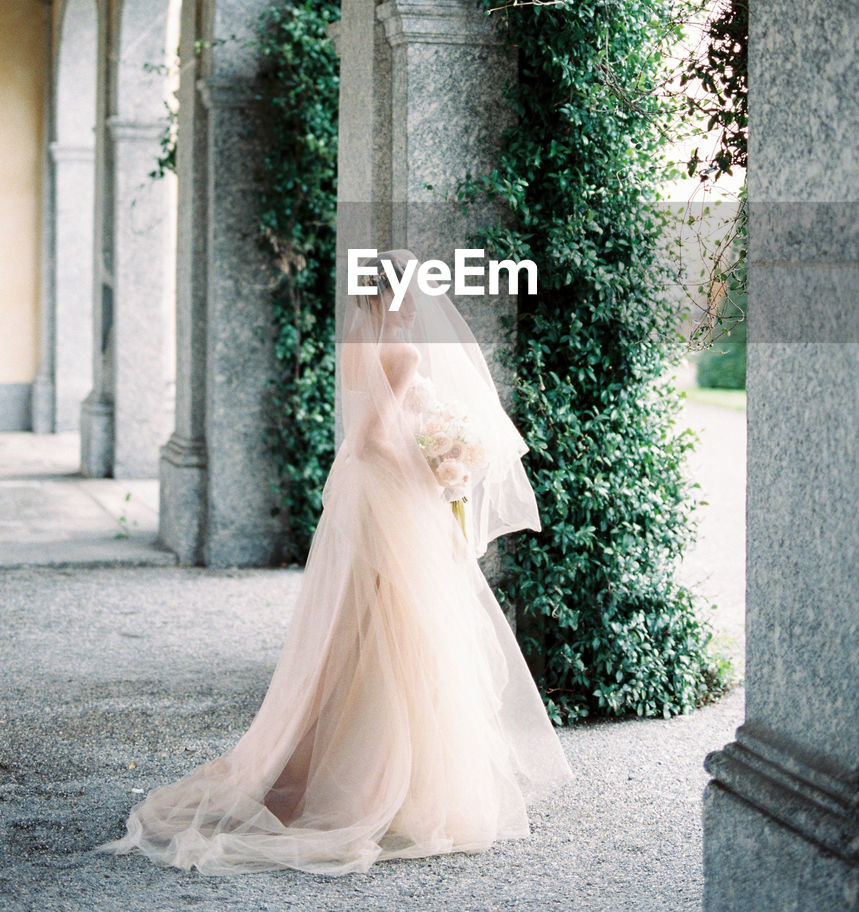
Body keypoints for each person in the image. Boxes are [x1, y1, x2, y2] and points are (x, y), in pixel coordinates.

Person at [96, 250, 572, 876]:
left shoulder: (359, 344)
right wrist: (435, 464)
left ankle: (333, 759)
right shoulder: (401, 353)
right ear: (399, 294)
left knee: (361, 625)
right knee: (404, 628)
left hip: (360, 491)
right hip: (390, 491)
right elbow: (377, 436)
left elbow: (361, 434)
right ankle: (388, 785)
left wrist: (434, 451)